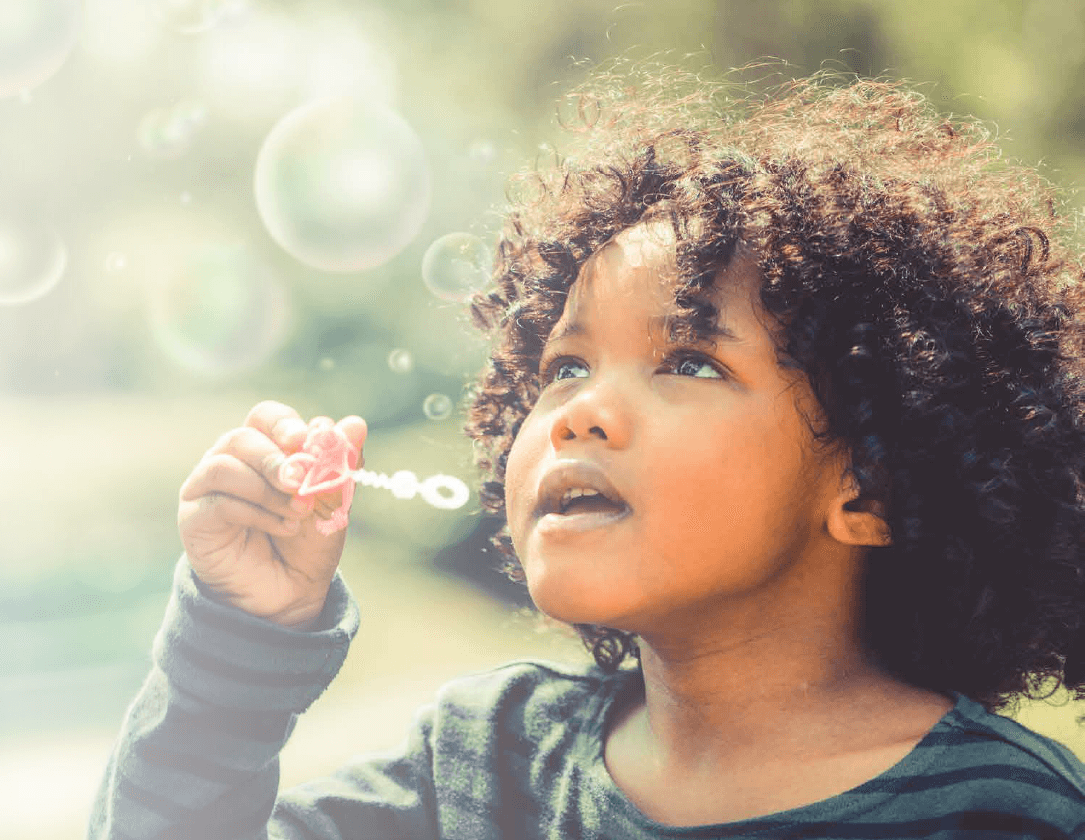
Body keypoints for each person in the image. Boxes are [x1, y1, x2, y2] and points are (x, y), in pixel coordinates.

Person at [88, 65, 1085, 838]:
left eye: (688, 361)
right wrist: (236, 640)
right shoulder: (484, 765)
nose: (578, 413)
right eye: (563, 367)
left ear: (871, 479)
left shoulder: (1007, 810)